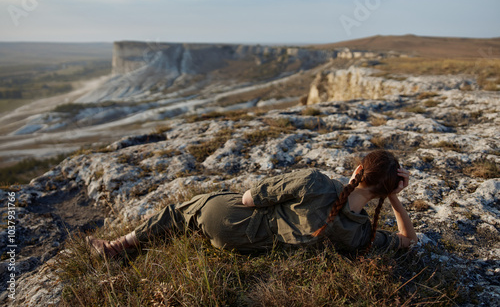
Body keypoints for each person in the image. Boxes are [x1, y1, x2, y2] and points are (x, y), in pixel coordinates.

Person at [86, 149, 418, 258]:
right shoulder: (359, 235)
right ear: (385, 191)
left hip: (231, 222)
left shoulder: (316, 182)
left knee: (182, 210)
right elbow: (408, 241)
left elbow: (248, 198)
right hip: (247, 247)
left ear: (358, 170)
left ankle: (118, 246)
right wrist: (395, 202)